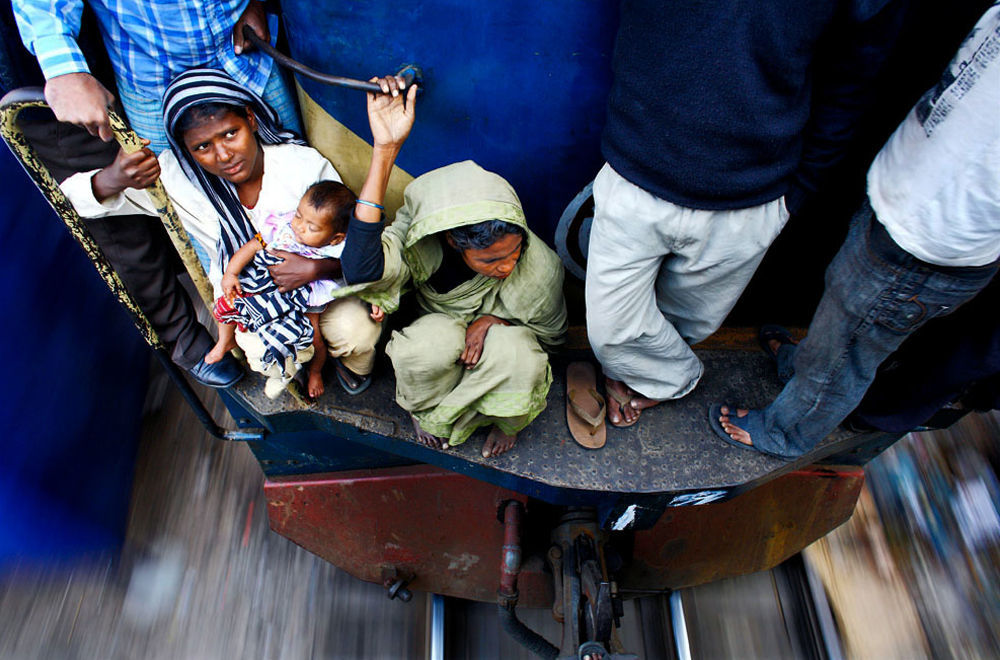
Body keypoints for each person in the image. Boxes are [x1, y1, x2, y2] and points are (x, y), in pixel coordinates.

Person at [584, 0, 904, 427]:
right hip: (638, 169)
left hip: (751, 196)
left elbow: (852, 82)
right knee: (611, 332)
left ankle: (641, 374)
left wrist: (799, 191)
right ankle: (668, 377)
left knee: (690, 322)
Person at [711, 4, 1000, 459]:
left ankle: (788, 432)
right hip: (900, 200)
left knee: (846, 354)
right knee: (839, 322)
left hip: (926, 246)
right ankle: (805, 368)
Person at [61, 68, 386, 394]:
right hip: (251, 301)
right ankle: (294, 367)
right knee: (262, 354)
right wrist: (113, 178)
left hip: (320, 292)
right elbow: (66, 200)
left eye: (231, 133)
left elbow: (353, 241)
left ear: (251, 119)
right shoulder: (177, 179)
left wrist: (316, 267)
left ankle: (338, 362)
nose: (223, 155)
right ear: (185, 149)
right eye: (202, 146)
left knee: (357, 332)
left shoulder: (300, 165)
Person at [348, 156, 567, 457]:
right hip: (439, 327)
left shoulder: (541, 268)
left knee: (521, 356)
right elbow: (363, 269)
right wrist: (385, 151)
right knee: (425, 349)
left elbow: (550, 342)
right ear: (452, 241)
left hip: (499, 349)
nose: (507, 266)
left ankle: (504, 422)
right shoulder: (421, 241)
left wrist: (492, 321)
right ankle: (423, 411)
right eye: (490, 260)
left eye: (514, 252)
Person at [13, 0, 300, 153]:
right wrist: (65, 70)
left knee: (304, 181)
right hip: (151, 77)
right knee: (197, 218)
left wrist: (258, 1)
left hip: (247, 55)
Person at [210, 180, 385, 398]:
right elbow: (253, 246)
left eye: (312, 227)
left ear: (335, 238)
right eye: (299, 216)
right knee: (227, 304)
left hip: (306, 299)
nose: (300, 227)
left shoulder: (339, 249)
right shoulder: (283, 228)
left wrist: (374, 299)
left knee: (314, 339)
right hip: (266, 285)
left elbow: (360, 277)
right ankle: (224, 340)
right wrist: (231, 274)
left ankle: (315, 371)